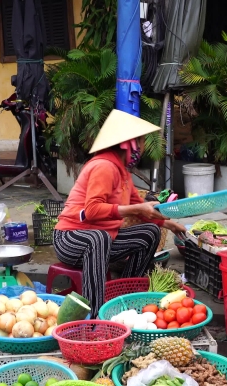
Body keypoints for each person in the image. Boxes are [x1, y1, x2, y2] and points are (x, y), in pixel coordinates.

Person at [54, 109, 187, 317]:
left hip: (105, 239)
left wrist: (170, 224)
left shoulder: (122, 172)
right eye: (141, 142)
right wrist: (136, 209)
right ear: (130, 144)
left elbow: (143, 210)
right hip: (71, 239)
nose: (143, 147)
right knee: (98, 239)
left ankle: (124, 297)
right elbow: (92, 211)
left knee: (149, 232)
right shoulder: (104, 166)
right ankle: (96, 315)